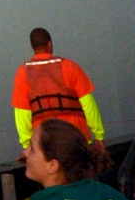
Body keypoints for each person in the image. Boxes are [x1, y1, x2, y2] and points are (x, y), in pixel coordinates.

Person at [11, 29, 107, 160]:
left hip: (45, 147)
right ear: (50, 44)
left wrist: (27, 145)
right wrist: (99, 136)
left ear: (32, 47)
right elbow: (88, 105)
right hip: (77, 140)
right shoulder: (70, 67)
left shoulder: (23, 73)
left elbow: (22, 114)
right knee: (81, 178)